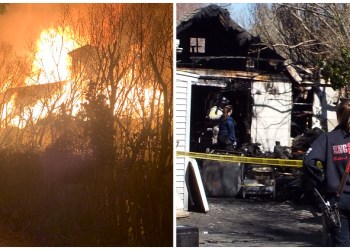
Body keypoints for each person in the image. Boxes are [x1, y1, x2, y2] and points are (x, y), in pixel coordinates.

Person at [302, 99, 350, 247]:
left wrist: (321, 183)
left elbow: (307, 161)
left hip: (338, 199)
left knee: (342, 244)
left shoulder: (328, 139)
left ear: (338, 116)